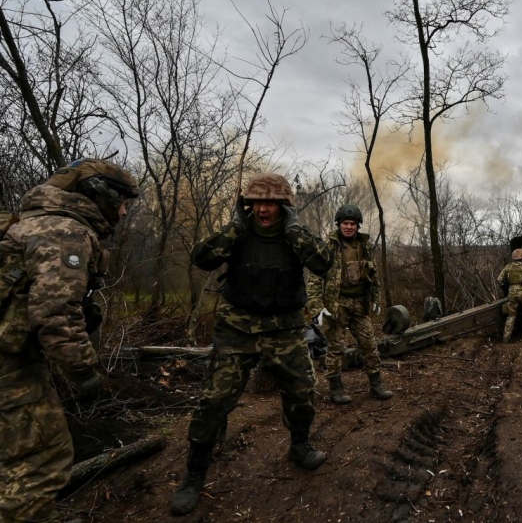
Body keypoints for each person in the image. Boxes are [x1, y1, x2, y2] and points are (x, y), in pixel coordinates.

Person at [170, 173, 334, 516]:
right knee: (214, 401)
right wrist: (235, 227)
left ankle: (299, 445)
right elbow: (202, 258)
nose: (263, 209)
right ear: (248, 205)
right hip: (237, 329)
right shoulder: (237, 233)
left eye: (271, 203)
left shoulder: (294, 236)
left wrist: (294, 231)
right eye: (257, 202)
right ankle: (194, 474)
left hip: (285, 329)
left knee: (303, 391)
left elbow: (324, 264)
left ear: (283, 207)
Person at [0, 159, 139, 523]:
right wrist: (85, 374)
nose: (124, 212)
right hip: (9, 365)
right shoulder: (64, 231)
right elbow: (56, 314)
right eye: (123, 202)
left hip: (14, 355)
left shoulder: (30, 222)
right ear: (101, 195)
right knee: (41, 458)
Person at [306, 204, 393, 405]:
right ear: (338, 224)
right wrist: (317, 307)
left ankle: (376, 384)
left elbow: (373, 274)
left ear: (357, 226)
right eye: (345, 223)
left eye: (352, 224)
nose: (349, 227)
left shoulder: (364, 246)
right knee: (336, 348)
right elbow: (314, 278)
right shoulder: (329, 246)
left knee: (369, 344)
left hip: (359, 304)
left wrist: (375, 298)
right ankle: (336, 388)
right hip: (336, 305)